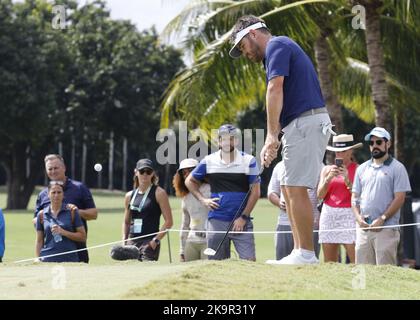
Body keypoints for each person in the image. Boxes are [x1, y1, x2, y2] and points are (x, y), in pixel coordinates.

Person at [229, 15, 333, 264]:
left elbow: (275, 89)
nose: (244, 54)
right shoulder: (275, 52)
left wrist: (271, 137)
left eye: (242, 46)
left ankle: (307, 254)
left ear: (253, 34)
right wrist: (277, 135)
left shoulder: (277, 45)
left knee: (296, 187)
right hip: (298, 125)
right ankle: (299, 251)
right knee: (288, 186)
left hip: (306, 122)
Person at [185, 124, 260, 261]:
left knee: (250, 262)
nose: (227, 142)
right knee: (216, 264)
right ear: (219, 141)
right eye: (224, 139)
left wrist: (243, 217)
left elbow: (255, 192)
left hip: (242, 222)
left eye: (231, 139)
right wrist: (203, 200)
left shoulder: (249, 161)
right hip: (217, 221)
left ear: (236, 141)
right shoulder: (209, 161)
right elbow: (189, 181)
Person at [352, 127, 411, 265]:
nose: (374, 146)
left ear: (388, 144)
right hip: (363, 229)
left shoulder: (398, 168)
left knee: (385, 275)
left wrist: (382, 218)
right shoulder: (362, 168)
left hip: (387, 229)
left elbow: (400, 198)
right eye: (371, 143)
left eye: (378, 142)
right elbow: (354, 197)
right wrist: (358, 218)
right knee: (363, 276)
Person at [34, 154, 97, 263]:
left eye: (56, 168)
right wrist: (45, 218)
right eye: (50, 169)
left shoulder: (79, 188)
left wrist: (75, 211)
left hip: (77, 249)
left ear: (64, 168)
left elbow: (93, 214)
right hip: (50, 252)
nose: (53, 171)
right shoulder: (43, 194)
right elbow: (36, 220)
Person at [110, 159, 173, 262]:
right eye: (142, 171)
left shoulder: (159, 193)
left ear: (152, 174)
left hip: (149, 243)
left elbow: (169, 222)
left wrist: (154, 241)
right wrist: (124, 242)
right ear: (136, 172)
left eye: (148, 172)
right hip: (132, 242)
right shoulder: (129, 195)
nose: (145, 174)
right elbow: (126, 222)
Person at [317, 134, 362, 263]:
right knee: (330, 263)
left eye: (343, 151)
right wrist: (328, 179)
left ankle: (357, 283)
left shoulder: (359, 169)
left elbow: (359, 196)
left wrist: (347, 180)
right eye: (336, 151)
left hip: (349, 214)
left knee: (356, 261)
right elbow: (320, 195)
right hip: (329, 214)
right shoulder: (326, 170)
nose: (339, 155)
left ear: (350, 151)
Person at [267, 161, 320, 262]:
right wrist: (279, 202)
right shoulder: (280, 166)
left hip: (310, 224)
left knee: (307, 259)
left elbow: (322, 194)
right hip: (284, 222)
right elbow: (272, 192)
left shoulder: (318, 165)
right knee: (283, 260)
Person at [35, 181, 86, 262]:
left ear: (63, 194)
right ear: (48, 194)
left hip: (70, 259)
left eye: (59, 192)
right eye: (53, 192)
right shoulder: (41, 214)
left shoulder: (72, 211)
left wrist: (63, 232)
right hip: (47, 259)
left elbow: (82, 237)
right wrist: (37, 258)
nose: (56, 195)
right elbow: (39, 241)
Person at [173, 158, 210, 262]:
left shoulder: (211, 190)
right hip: (192, 240)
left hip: (209, 240)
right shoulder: (186, 197)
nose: (187, 174)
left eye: (190, 170)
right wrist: (181, 251)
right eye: (184, 173)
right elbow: (185, 225)